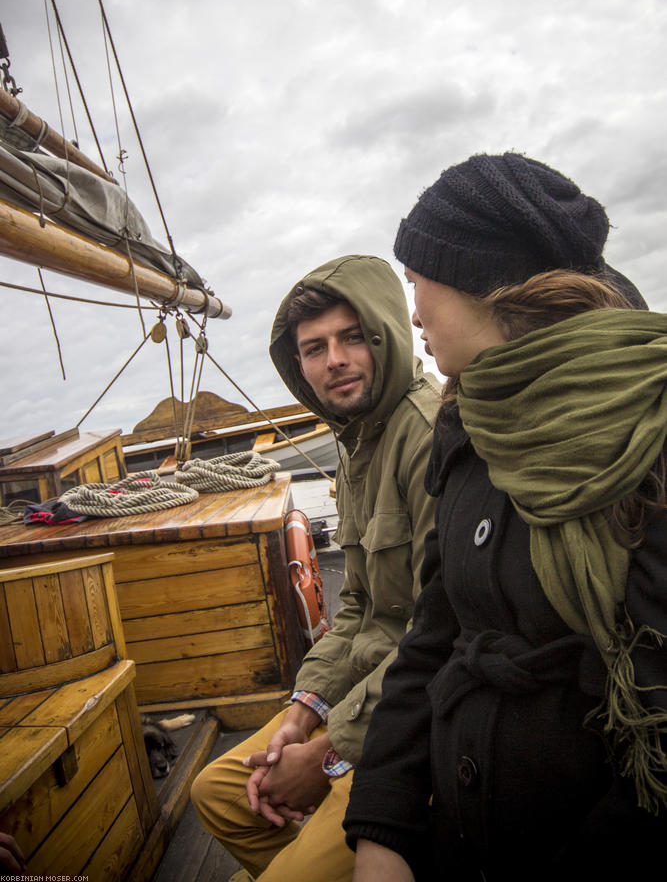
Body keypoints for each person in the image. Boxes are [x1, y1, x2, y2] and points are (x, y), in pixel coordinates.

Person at [344, 153, 667, 881]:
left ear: (482, 287)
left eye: (417, 283)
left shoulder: (647, 429)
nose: (413, 311)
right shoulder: (465, 424)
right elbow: (433, 634)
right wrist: (382, 827)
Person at [191, 254, 442, 881]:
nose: (335, 359)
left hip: (417, 720)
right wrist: (304, 710)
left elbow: (443, 635)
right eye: (314, 347)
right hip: (359, 691)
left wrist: (328, 753)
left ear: (386, 333)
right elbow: (356, 604)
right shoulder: (359, 440)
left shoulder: (428, 436)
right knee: (217, 793)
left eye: (353, 337)